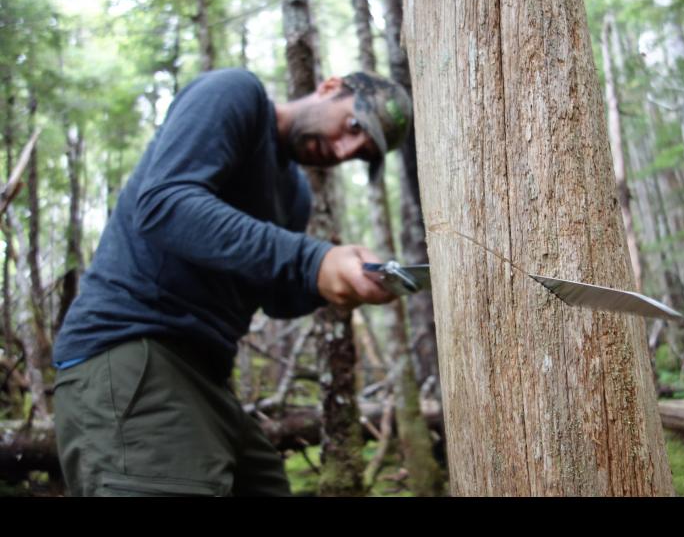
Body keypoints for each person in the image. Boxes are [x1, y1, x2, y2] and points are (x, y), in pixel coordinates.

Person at [51, 67, 413, 496]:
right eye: (353, 126)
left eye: (360, 152)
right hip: (131, 351)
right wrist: (312, 260)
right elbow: (164, 205)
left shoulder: (294, 195)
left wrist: (341, 282)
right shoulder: (236, 94)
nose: (343, 149)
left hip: (206, 376)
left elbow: (270, 293)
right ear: (330, 87)